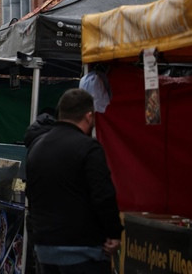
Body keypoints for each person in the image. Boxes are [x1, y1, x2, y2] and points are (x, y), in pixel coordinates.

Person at [25, 88, 123, 273]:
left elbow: (31, 194)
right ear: (88, 116)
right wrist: (113, 233)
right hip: (83, 250)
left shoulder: (37, 147)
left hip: (45, 248)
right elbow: (103, 195)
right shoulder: (88, 148)